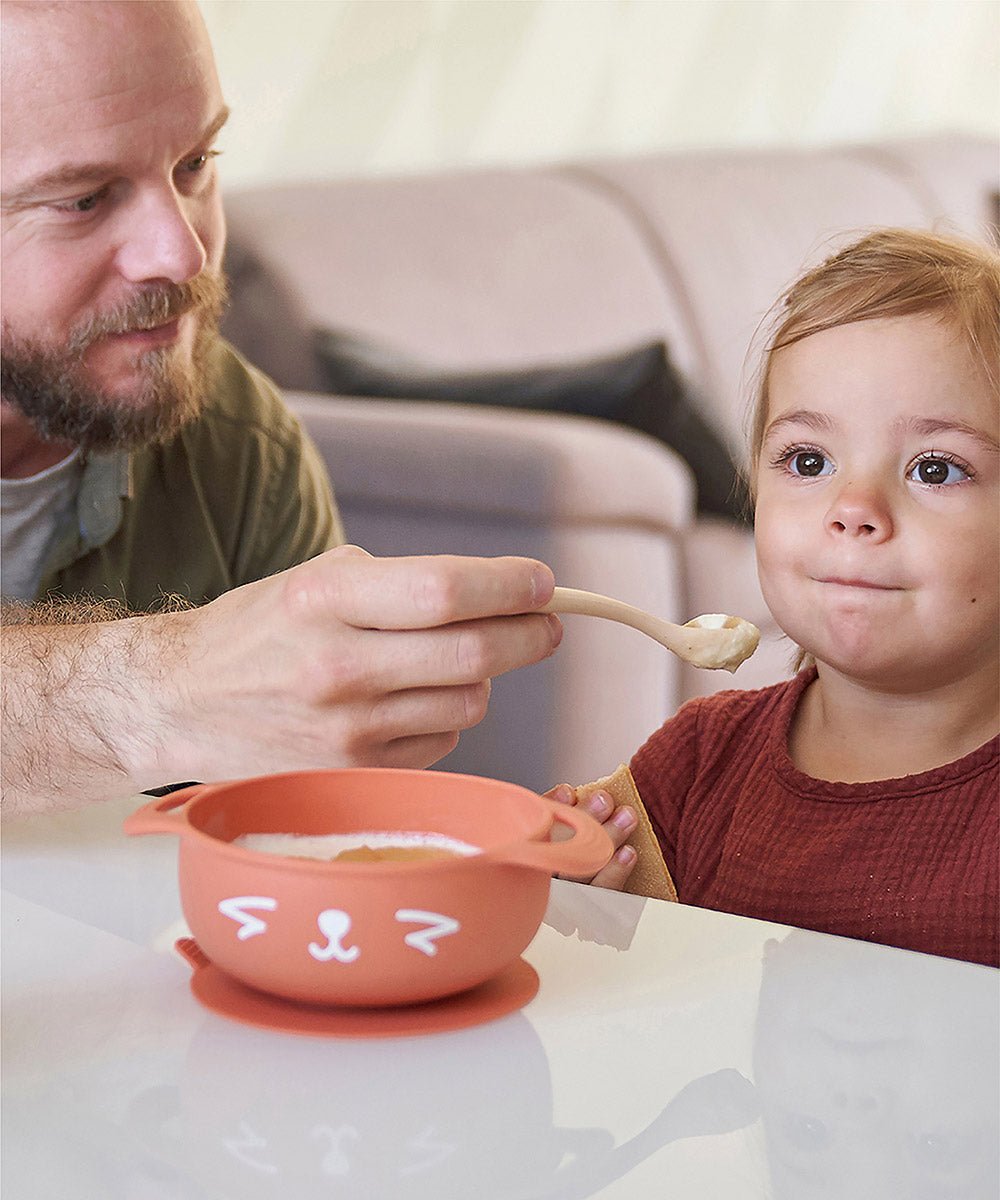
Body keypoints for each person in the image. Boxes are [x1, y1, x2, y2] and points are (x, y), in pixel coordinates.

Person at [0, 0, 577, 819]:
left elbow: (317, 848)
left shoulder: (236, 438)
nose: (183, 251)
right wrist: (157, 692)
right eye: (86, 199)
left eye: (195, 161)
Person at [555, 228, 1000, 963]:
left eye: (934, 470)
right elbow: (623, 1000)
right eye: (808, 459)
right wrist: (572, 900)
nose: (853, 507)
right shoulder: (697, 765)